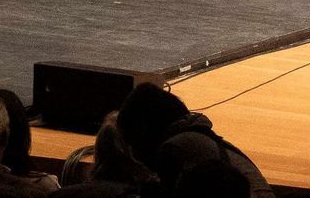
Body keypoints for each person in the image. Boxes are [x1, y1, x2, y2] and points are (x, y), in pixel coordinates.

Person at [115, 83, 274, 198]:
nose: (134, 153)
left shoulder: (176, 147)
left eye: (132, 143)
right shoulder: (198, 138)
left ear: (143, 131)